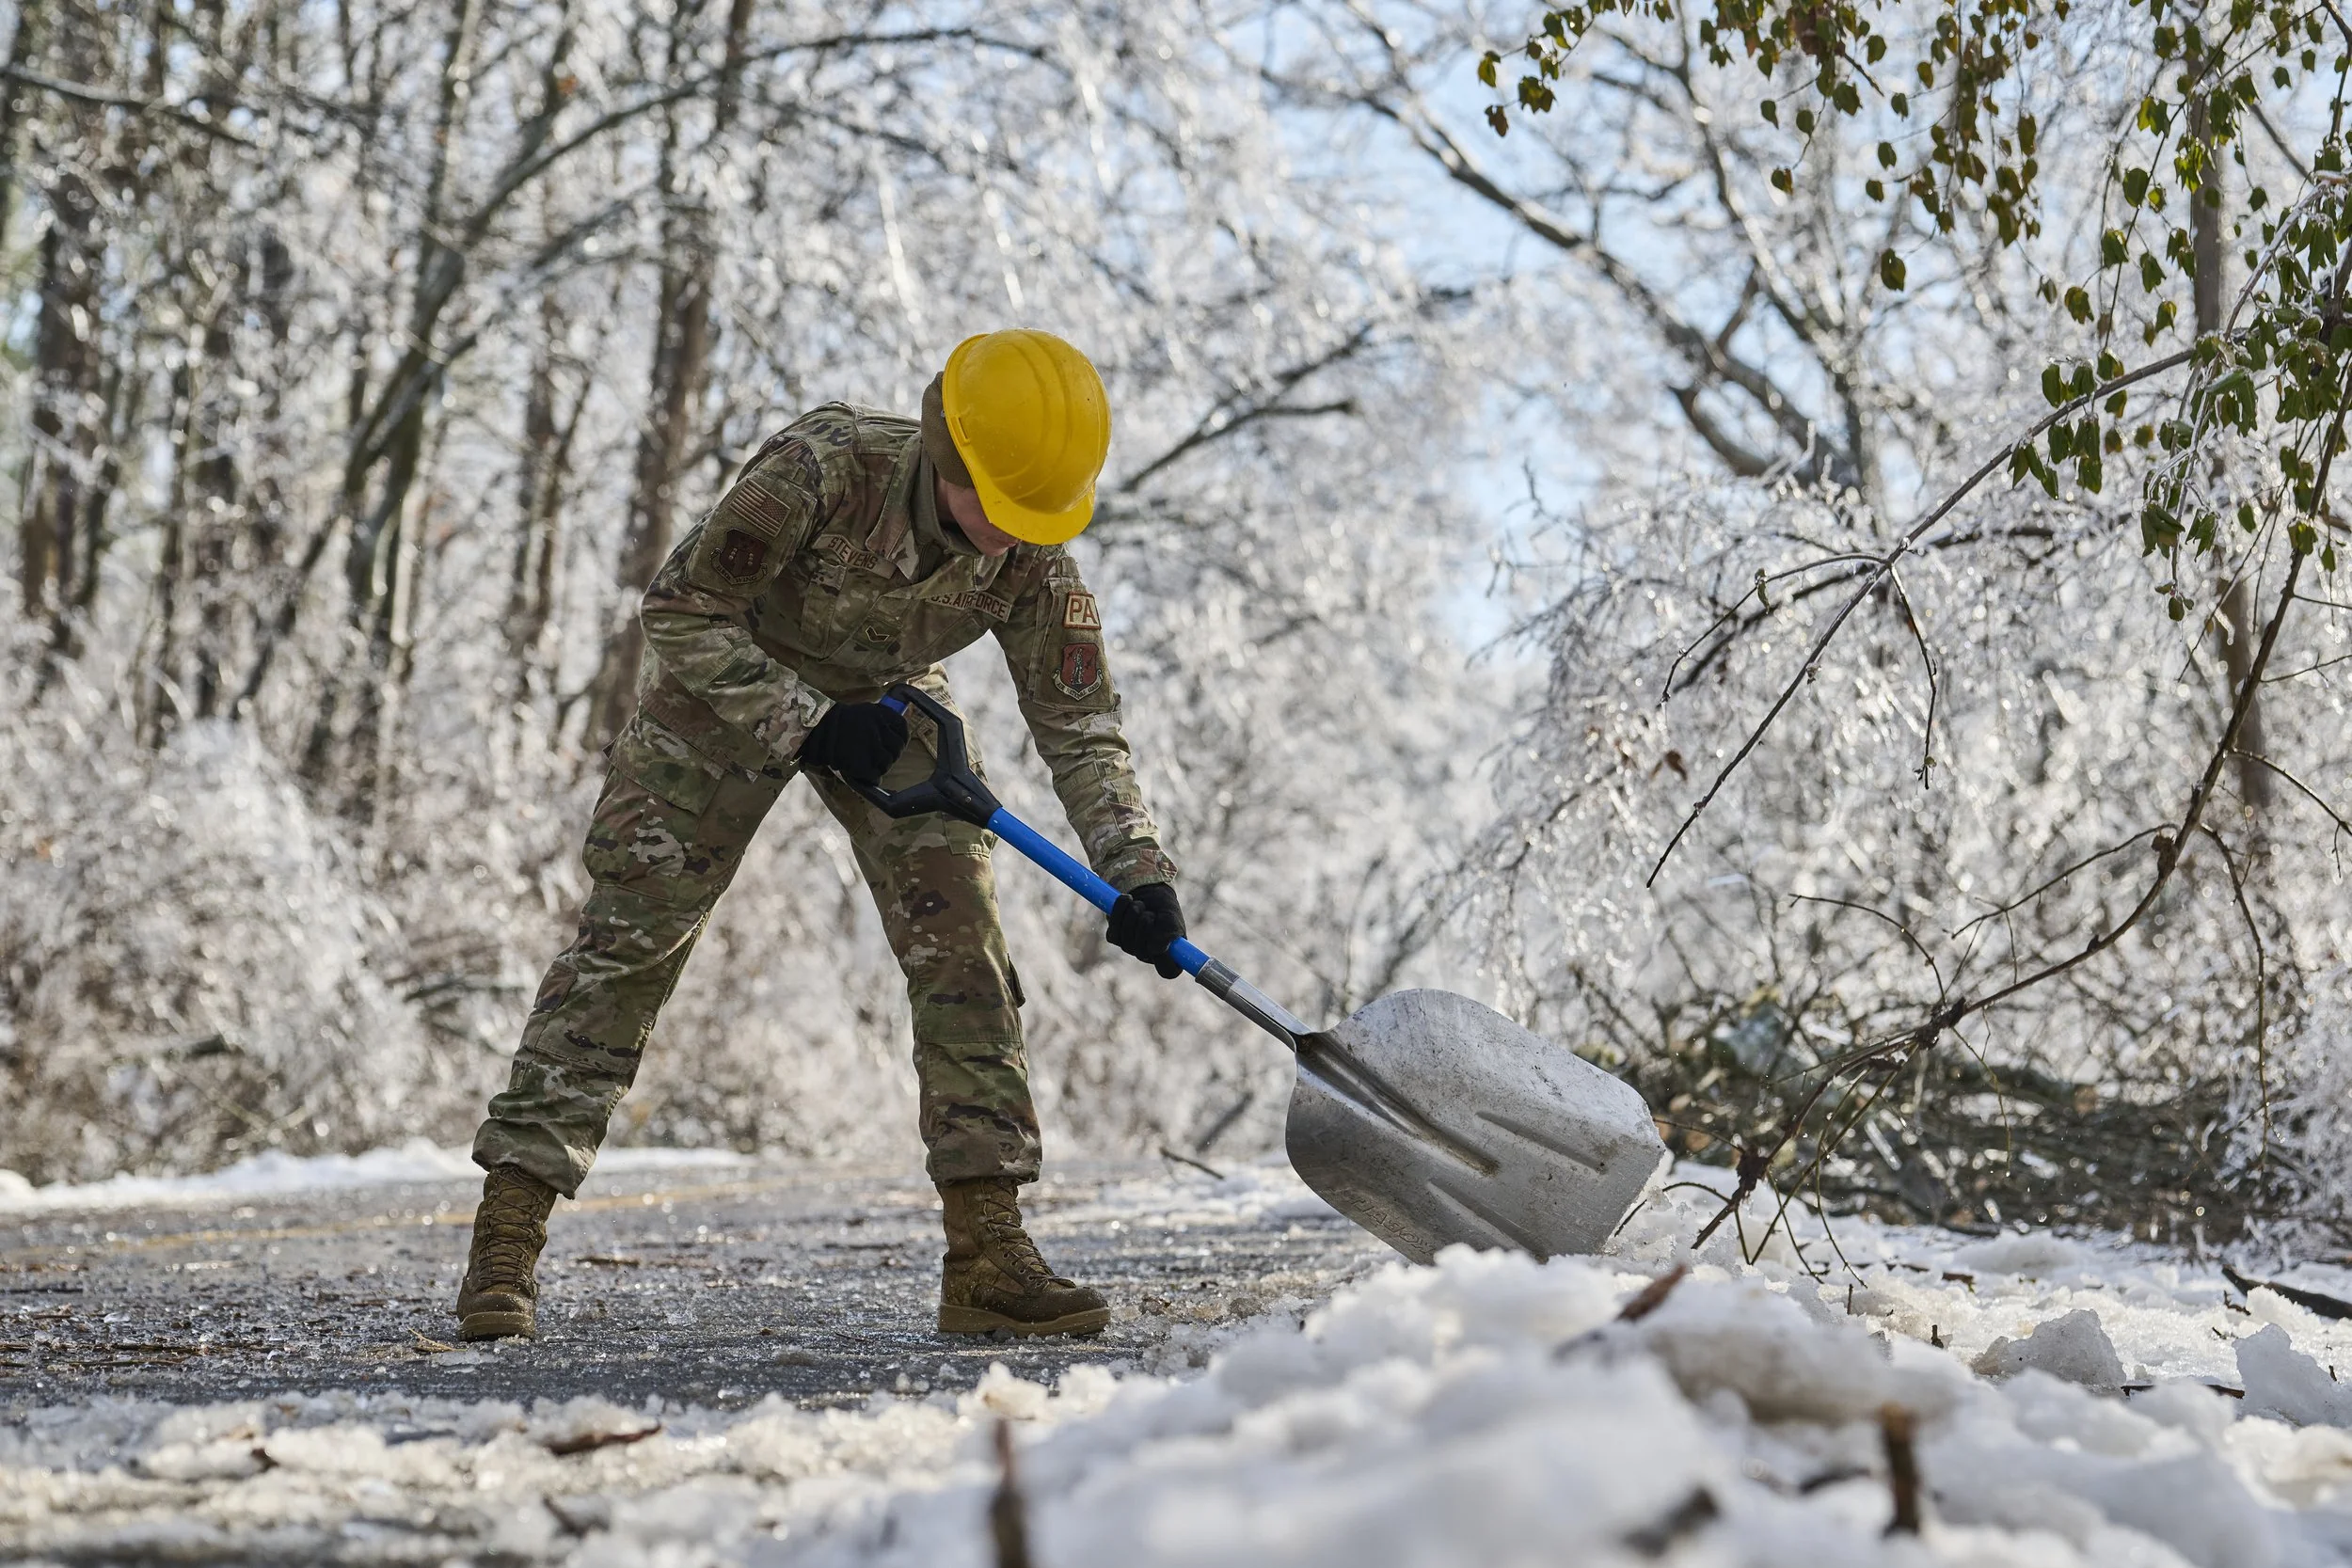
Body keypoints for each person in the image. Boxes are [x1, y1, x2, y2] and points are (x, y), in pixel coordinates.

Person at [454, 330, 1185, 1342]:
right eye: (998, 511)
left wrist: (1138, 874)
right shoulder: (820, 470)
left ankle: (987, 1249)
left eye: (1032, 521)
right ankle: (506, 1236)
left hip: (889, 713)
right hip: (722, 692)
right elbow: (678, 608)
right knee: (628, 944)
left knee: (962, 944)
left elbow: (1081, 723)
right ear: (945, 454)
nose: (1011, 539)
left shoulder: (1027, 551)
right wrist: (805, 718)